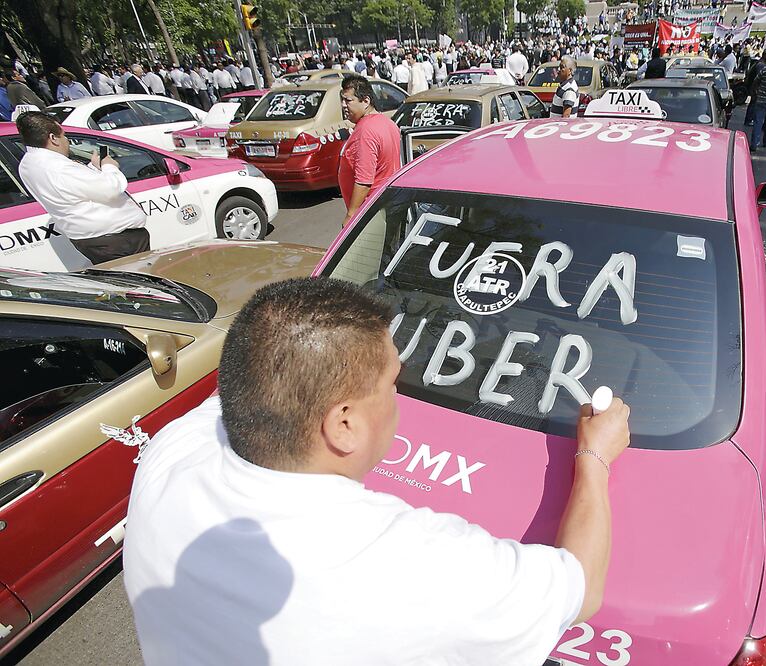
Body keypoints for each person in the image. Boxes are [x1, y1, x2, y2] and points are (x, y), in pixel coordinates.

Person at [124, 276, 631, 665]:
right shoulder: (408, 564)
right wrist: (595, 458)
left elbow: (254, 372)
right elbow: (579, 588)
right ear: (343, 424)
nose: (399, 392)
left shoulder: (169, 454)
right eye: (392, 382)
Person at [15, 112, 148, 264]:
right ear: (53, 138)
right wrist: (110, 167)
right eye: (64, 136)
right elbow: (110, 189)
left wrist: (94, 168)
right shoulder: (58, 167)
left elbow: (73, 189)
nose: (67, 141)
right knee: (142, 282)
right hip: (116, 240)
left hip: (91, 239)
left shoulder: (27, 164)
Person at [337, 74, 401, 223]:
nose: (343, 105)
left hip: (370, 212)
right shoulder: (388, 123)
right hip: (388, 204)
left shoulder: (365, 131)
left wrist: (351, 215)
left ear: (365, 101)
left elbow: (364, 180)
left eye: (348, 100)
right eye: (342, 100)